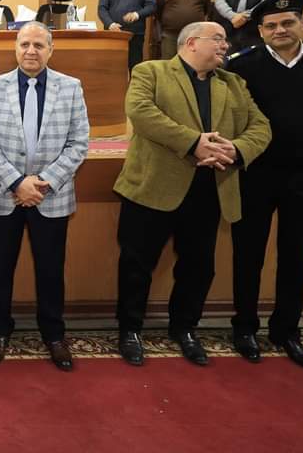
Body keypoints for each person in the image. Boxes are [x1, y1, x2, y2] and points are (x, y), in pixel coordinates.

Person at [113, 21, 271, 367]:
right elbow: (141, 113)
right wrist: (193, 143)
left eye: (225, 40)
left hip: (209, 191)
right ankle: (130, 330)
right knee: (136, 265)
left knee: (198, 267)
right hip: (152, 187)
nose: (225, 46)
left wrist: (236, 149)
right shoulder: (150, 72)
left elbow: (261, 127)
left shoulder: (233, 83)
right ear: (191, 42)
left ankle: (184, 328)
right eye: (218, 39)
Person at [225, 0, 303, 372]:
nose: (280, 30)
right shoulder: (243, 66)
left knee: (296, 256)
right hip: (255, 173)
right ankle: (245, 328)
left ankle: (286, 330)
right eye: (271, 26)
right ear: (261, 31)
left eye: (287, 23)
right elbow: (234, 118)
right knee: (248, 254)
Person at [0, 21, 89, 372]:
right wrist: (16, 183)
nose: (31, 51)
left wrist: (43, 182)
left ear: (50, 50)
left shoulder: (71, 87)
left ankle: (53, 335)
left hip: (50, 197)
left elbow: (78, 143)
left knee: (51, 270)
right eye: (25, 44)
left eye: (39, 45)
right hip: (4, 195)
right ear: (15, 47)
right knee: (0, 269)